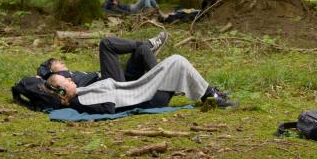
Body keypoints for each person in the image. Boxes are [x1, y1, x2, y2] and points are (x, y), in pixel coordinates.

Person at [45, 54, 236, 114]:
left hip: (140, 91)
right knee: (176, 62)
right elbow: (110, 108)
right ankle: (211, 95)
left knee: (176, 63)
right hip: (147, 99)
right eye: (66, 81)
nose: (71, 79)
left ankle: (210, 93)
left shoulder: (82, 93)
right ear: (62, 91)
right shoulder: (82, 99)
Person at [37, 32, 169, 87]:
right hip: (112, 86)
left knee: (142, 51)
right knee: (106, 43)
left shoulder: (72, 73)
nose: (62, 62)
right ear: (51, 70)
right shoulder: (57, 78)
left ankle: (165, 84)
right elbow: (41, 78)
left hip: (120, 79)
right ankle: (147, 43)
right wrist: (42, 76)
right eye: (57, 63)